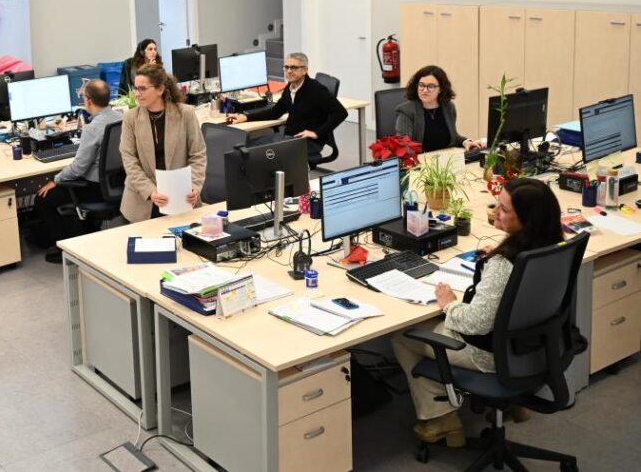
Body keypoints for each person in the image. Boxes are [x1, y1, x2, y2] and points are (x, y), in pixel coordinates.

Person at [390, 178, 564, 448]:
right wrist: (497, 255)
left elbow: (477, 323)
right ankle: (512, 405)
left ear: (527, 220)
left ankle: (441, 418)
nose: (495, 213)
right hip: (530, 348)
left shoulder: (503, 265)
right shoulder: (549, 246)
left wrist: (449, 304)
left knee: (402, 334)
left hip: (492, 355)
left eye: (504, 210)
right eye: (497, 205)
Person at [34, 80, 124, 262]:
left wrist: (55, 180)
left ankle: (64, 250)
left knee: (42, 198)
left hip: (94, 189)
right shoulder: (122, 119)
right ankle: (83, 235)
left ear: (88, 100)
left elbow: (78, 168)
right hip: (117, 184)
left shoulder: (92, 128)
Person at [120, 64, 207, 222]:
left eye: (142, 89)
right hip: (142, 200)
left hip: (181, 196)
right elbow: (129, 159)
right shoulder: (130, 118)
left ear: (160, 89)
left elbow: (198, 154)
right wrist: (150, 191)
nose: (137, 94)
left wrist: (194, 185)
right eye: (135, 88)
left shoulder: (185, 113)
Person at [227, 52, 347, 164]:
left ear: (305, 70)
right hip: (288, 137)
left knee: (254, 154)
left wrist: (317, 133)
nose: (289, 71)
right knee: (245, 147)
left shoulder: (315, 89)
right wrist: (246, 117)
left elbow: (340, 112)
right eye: (286, 67)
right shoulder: (290, 88)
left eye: (294, 67)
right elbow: (275, 112)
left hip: (305, 141)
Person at [395, 65, 481, 152]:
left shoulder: (448, 107)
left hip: (446, 157)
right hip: (421, 159)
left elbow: (453, 137)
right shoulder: (406, 111)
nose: (425, 90)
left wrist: (465, 142)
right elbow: (404, 145)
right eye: (421, 85)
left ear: (441, 89)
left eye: (430, 86)